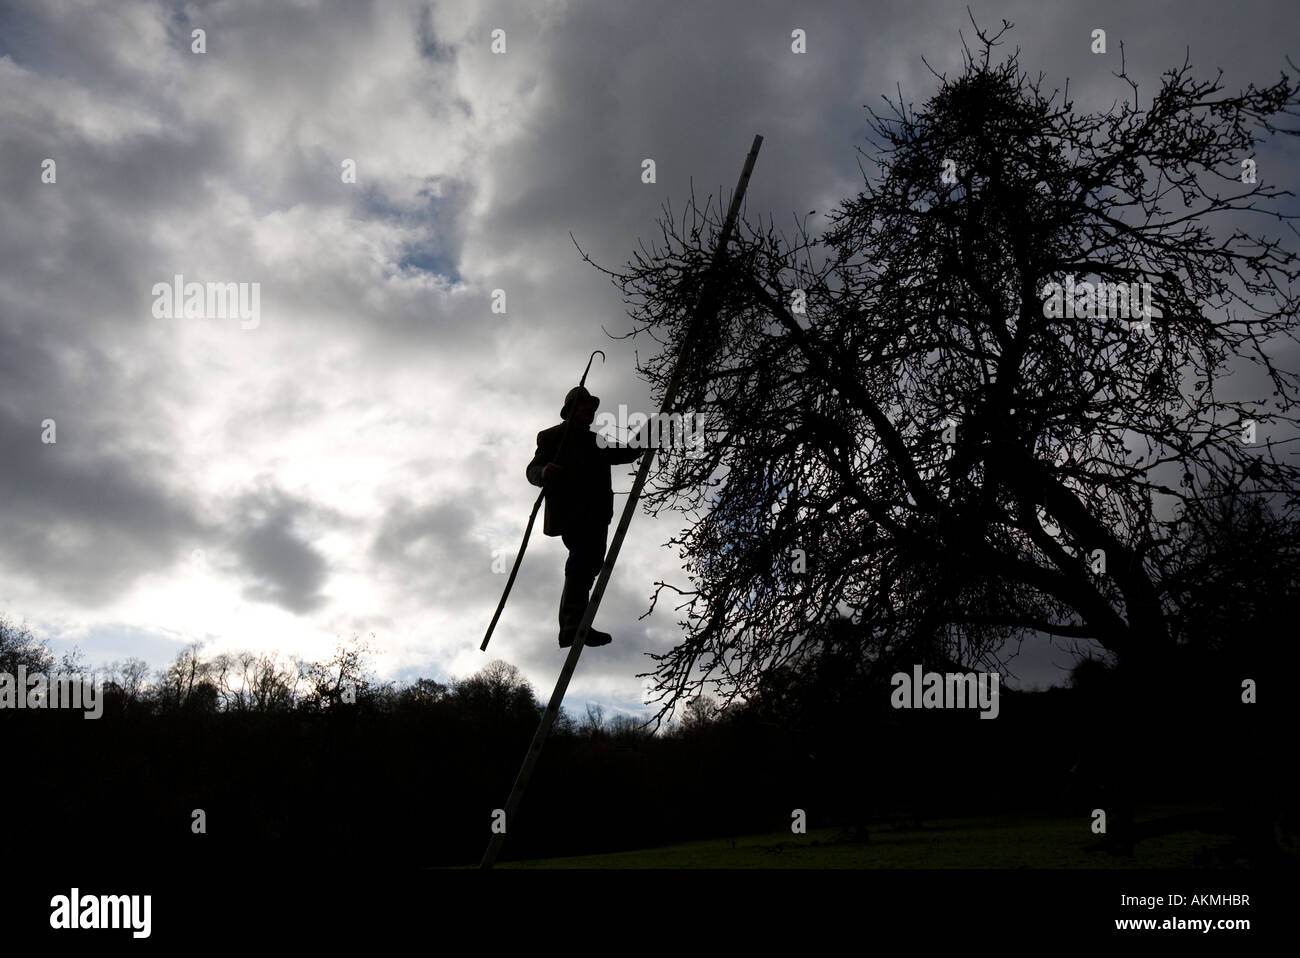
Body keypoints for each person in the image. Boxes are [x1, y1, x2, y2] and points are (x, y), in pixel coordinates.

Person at [526, 385, 644, 648]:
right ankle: (571, 625)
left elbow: (627, 452)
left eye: (592, 407)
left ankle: (574, 624)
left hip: (599, 513)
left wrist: (650, 431)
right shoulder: (551, 437)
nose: (590, 410)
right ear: (570, 410)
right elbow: (532, 469)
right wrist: (544, 472)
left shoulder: (596, 442)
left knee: (590, 564)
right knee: (581, 560)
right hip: (571, 511)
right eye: (584, 405)